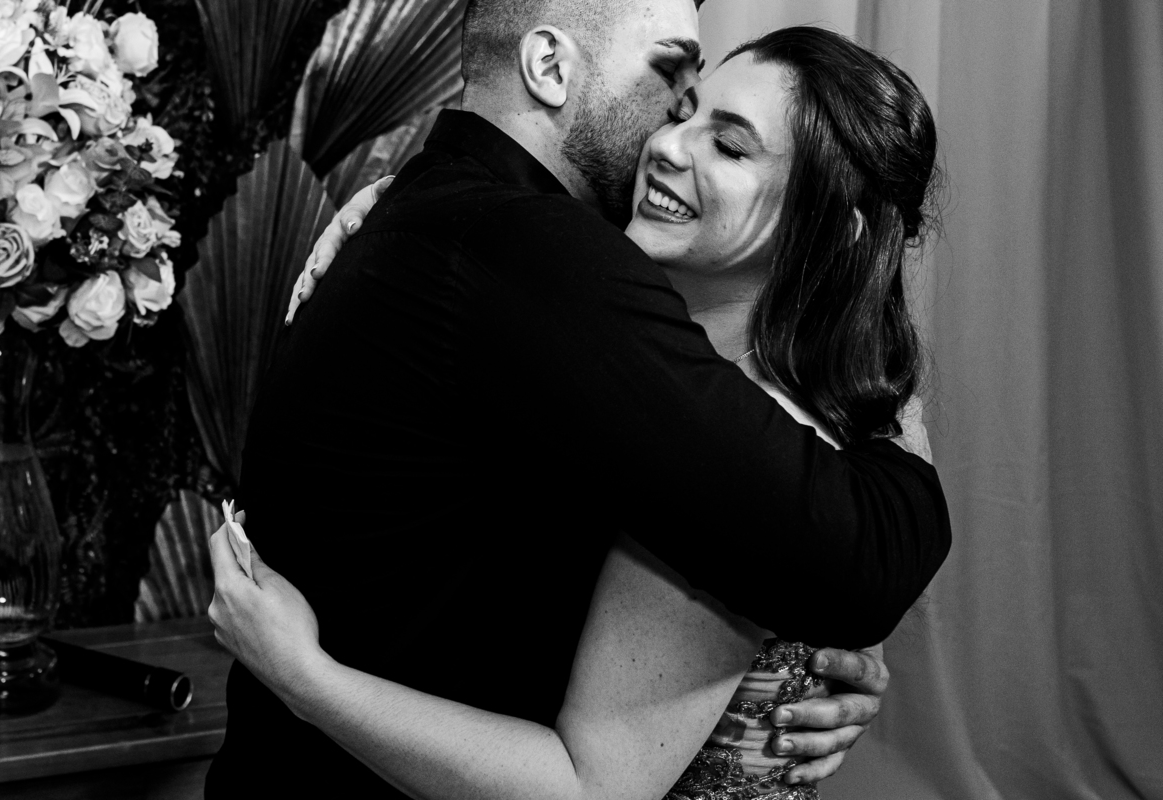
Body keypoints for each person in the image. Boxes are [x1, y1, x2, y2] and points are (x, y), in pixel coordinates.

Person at [204, 3, 950, 798]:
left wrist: (790, 661)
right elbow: (854, 563)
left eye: (727, 143)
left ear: (829, 225)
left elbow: (837, 565)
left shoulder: (451, 222)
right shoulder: (535, 257)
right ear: (549, 67)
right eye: (676, 91)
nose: (668, 139)